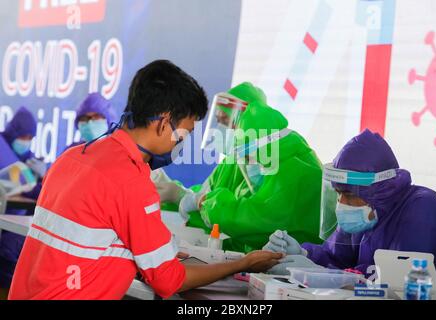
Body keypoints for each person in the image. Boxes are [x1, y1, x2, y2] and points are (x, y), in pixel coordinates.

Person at [8, 60, 282, 300]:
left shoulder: (73, 157)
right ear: (164, 123)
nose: (183, 142)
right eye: (184, 133)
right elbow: (169, 280)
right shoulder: (130, 182)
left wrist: (160, 254)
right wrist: (242, 264)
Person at [264, 129, 436, 278]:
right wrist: (304, 254)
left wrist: (322, 274)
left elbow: (401, 280)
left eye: (349, 194)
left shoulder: (422, 210)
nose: (342, 203)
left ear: (379, 191)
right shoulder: (365, 215)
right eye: (338, 193)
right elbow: (335, 256)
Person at [178, 82, 323, 253]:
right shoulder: (248, 156)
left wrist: (202, 203)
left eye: (225, 120)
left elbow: (256, 220)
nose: (221, 129)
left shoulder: (293, 167)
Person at [0, 106, 45, 298]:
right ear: (14, 132)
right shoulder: (2, 146)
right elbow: (14, 181)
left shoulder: (27, 157)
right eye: (23, 136)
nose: (26, 142)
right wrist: (36, 179)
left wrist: (44, 176)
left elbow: (36, 186)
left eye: (30, 138)